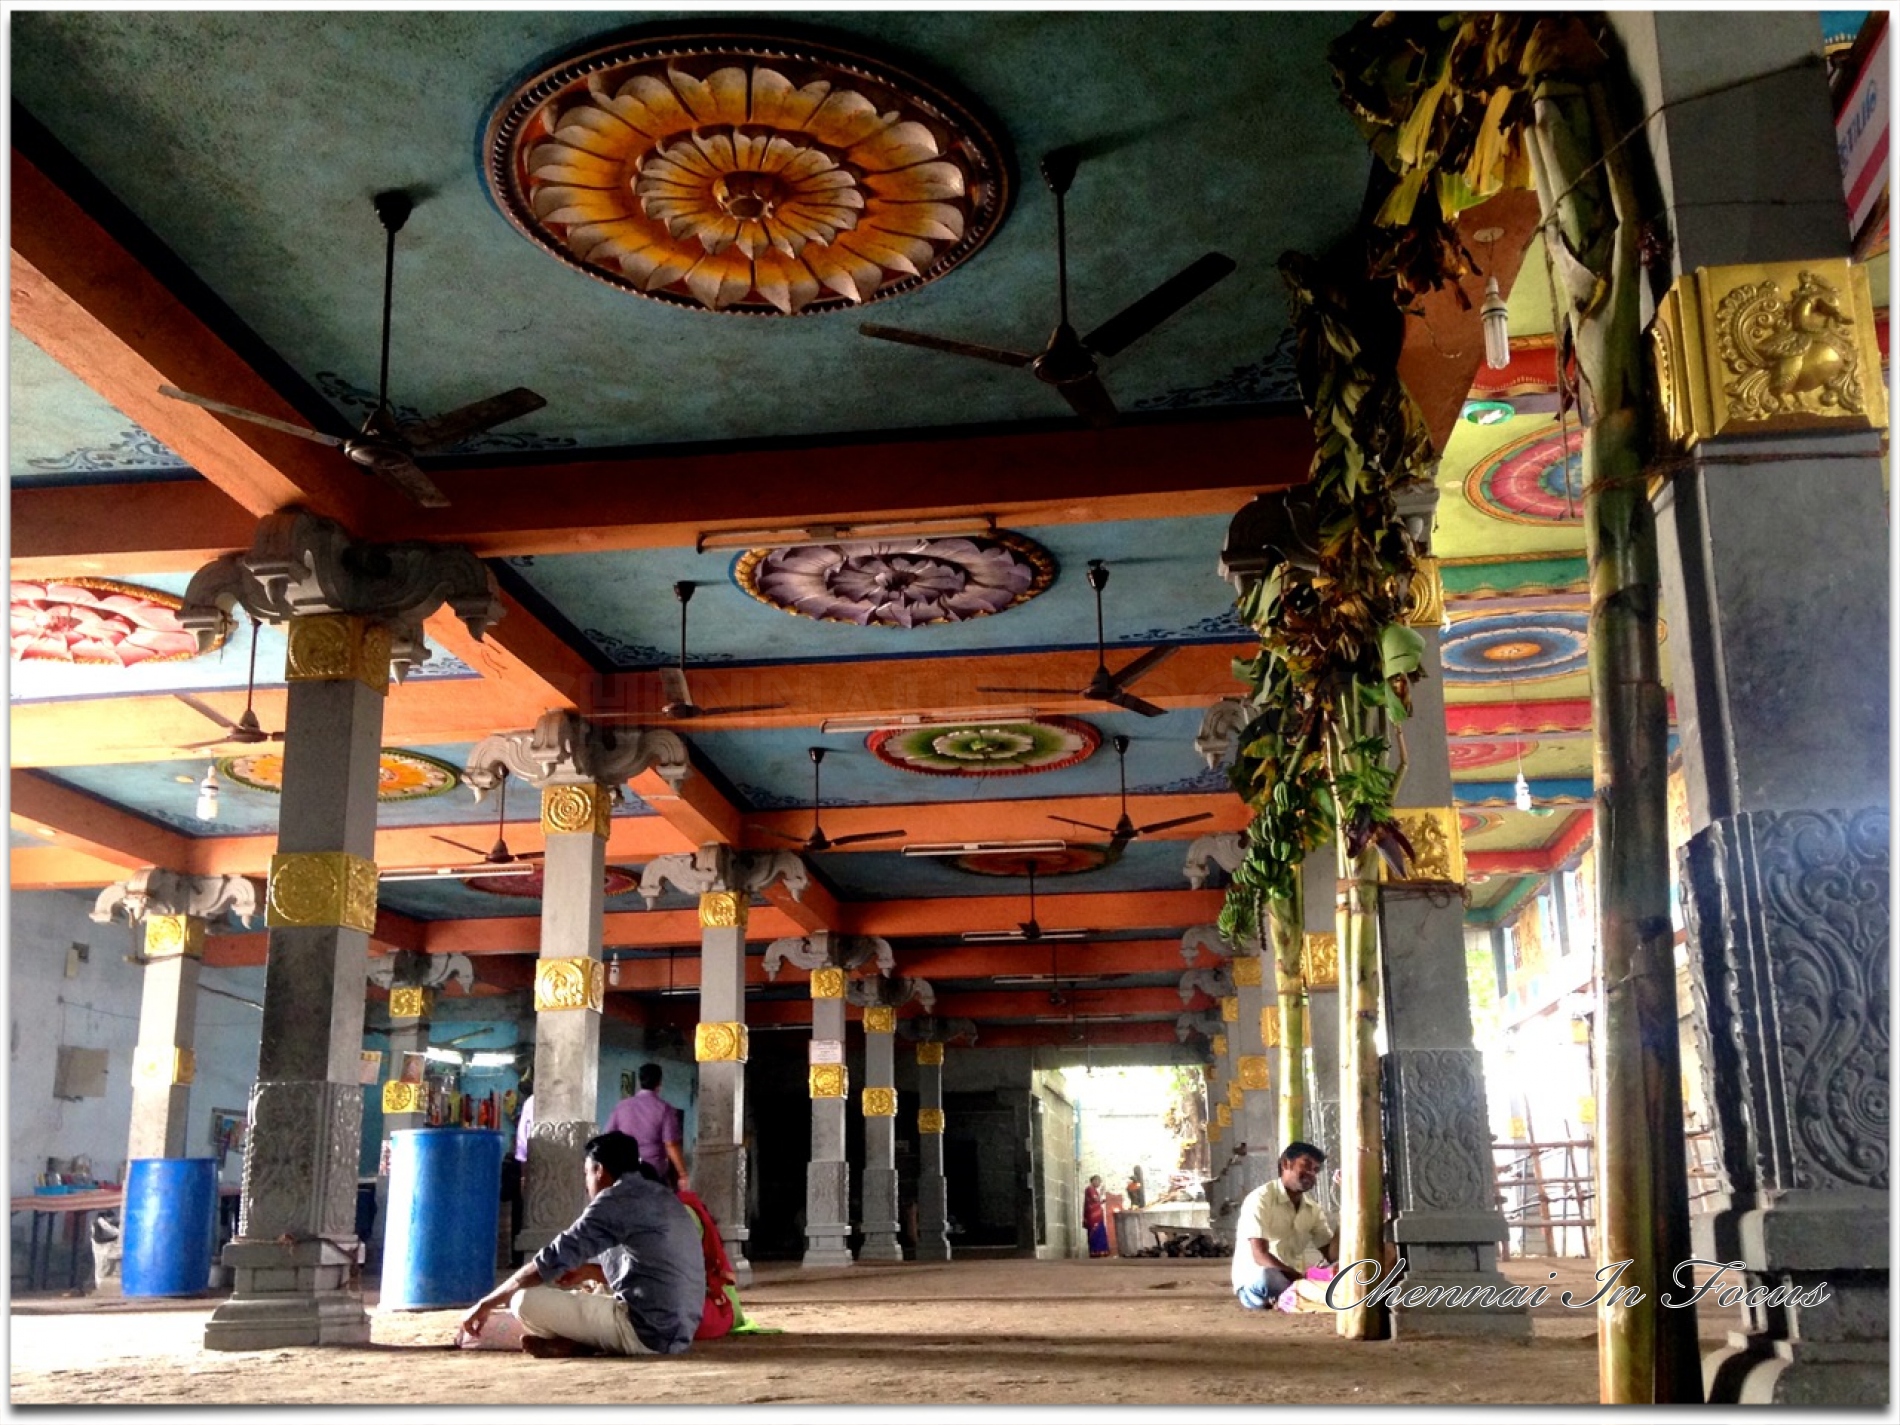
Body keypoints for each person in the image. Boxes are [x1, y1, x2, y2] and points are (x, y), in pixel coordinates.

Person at [459, 1130, 704, 1358]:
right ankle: (581, 1342)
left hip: (648, 1335)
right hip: (680, 1332)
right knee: (594, 1290)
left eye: (586, 1173)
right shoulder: (660, 1194)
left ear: (599, 1170)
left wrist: (486, 1302)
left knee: (523, 1300)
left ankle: (587, 1342)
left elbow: (551, 1259)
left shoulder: (614, 1199)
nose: (586, 1184)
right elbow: (651, 1269)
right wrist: (589, 1271)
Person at [1230, 1140, 1338, 1311]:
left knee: (1340, 1272)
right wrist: (1299, 1279)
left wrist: (1348, 1205)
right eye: (1307, 1165)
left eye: (1316, 1170)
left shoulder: (1313, 1209)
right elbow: (1260, 1255)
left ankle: (1291, 1298)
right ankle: (1294, 1296)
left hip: (1292, 1282)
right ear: (1286, 1163)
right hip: (1260, 1281)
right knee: (1268, 1276)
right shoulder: (1260, 1199)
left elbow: (1332, 1255)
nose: (1311, 1173)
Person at [604, 1063, 689, 1192]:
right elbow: (671, 1144)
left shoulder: (621, 1107)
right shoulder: (665, 1109)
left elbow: (608, 1138)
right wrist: (682, 1174)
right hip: (653, 1175)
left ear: (639, 1081)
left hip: (625, 1173)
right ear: (659, 1082)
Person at [1083, 1175, 1111, 1258]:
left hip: (1098, 1216)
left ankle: (1101, 1251)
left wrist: (1102, 1201)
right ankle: (1095, 1251)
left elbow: (1096, 1202)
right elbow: (1095, 1200)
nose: (1099, 1183)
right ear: (1094, 1180)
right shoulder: (1090, 1189)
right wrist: (1101, 1193)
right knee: (1095, 1233)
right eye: (1098, 1181)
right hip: (1093, 1216)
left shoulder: (1094, 1190)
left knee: (1100, 1233)